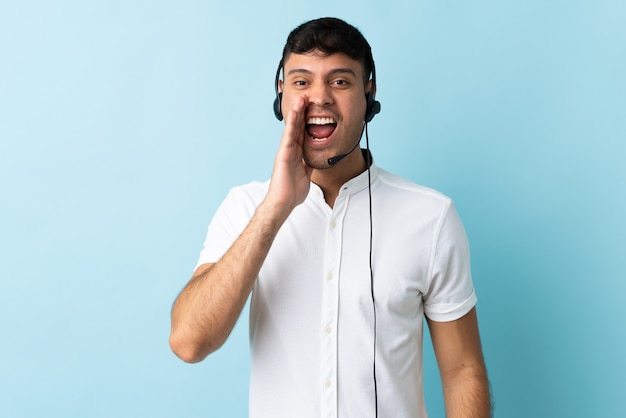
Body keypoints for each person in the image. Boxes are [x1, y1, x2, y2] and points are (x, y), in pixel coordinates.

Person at [170, 17, 491, 418]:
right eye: (302, 82)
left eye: (340, 81)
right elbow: (189, 342)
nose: (318, 98)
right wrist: (275, 208)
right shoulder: (245, 207)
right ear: (281, 94)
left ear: (368, 94)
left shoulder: (431, 216)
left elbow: (463, 371)